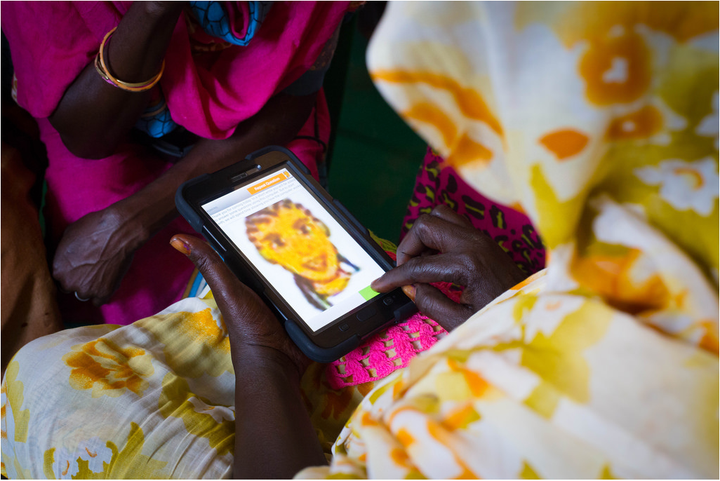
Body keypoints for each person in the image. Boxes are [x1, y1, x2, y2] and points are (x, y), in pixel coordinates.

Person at [2, 1, 718, 479]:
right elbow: (86, 133)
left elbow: (288, 104)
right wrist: (511, 311)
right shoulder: (649, 267)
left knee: (53, 383)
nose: (414, 95)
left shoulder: (642, 414)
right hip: (509, 288)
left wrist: (264, 358)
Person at [0, 1, 352, 326]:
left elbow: (291, 98)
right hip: (104, 118)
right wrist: (154, 8)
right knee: (109, 302)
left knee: (302, 297)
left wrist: (130, 221)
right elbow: (89, 139)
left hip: (260, 121)